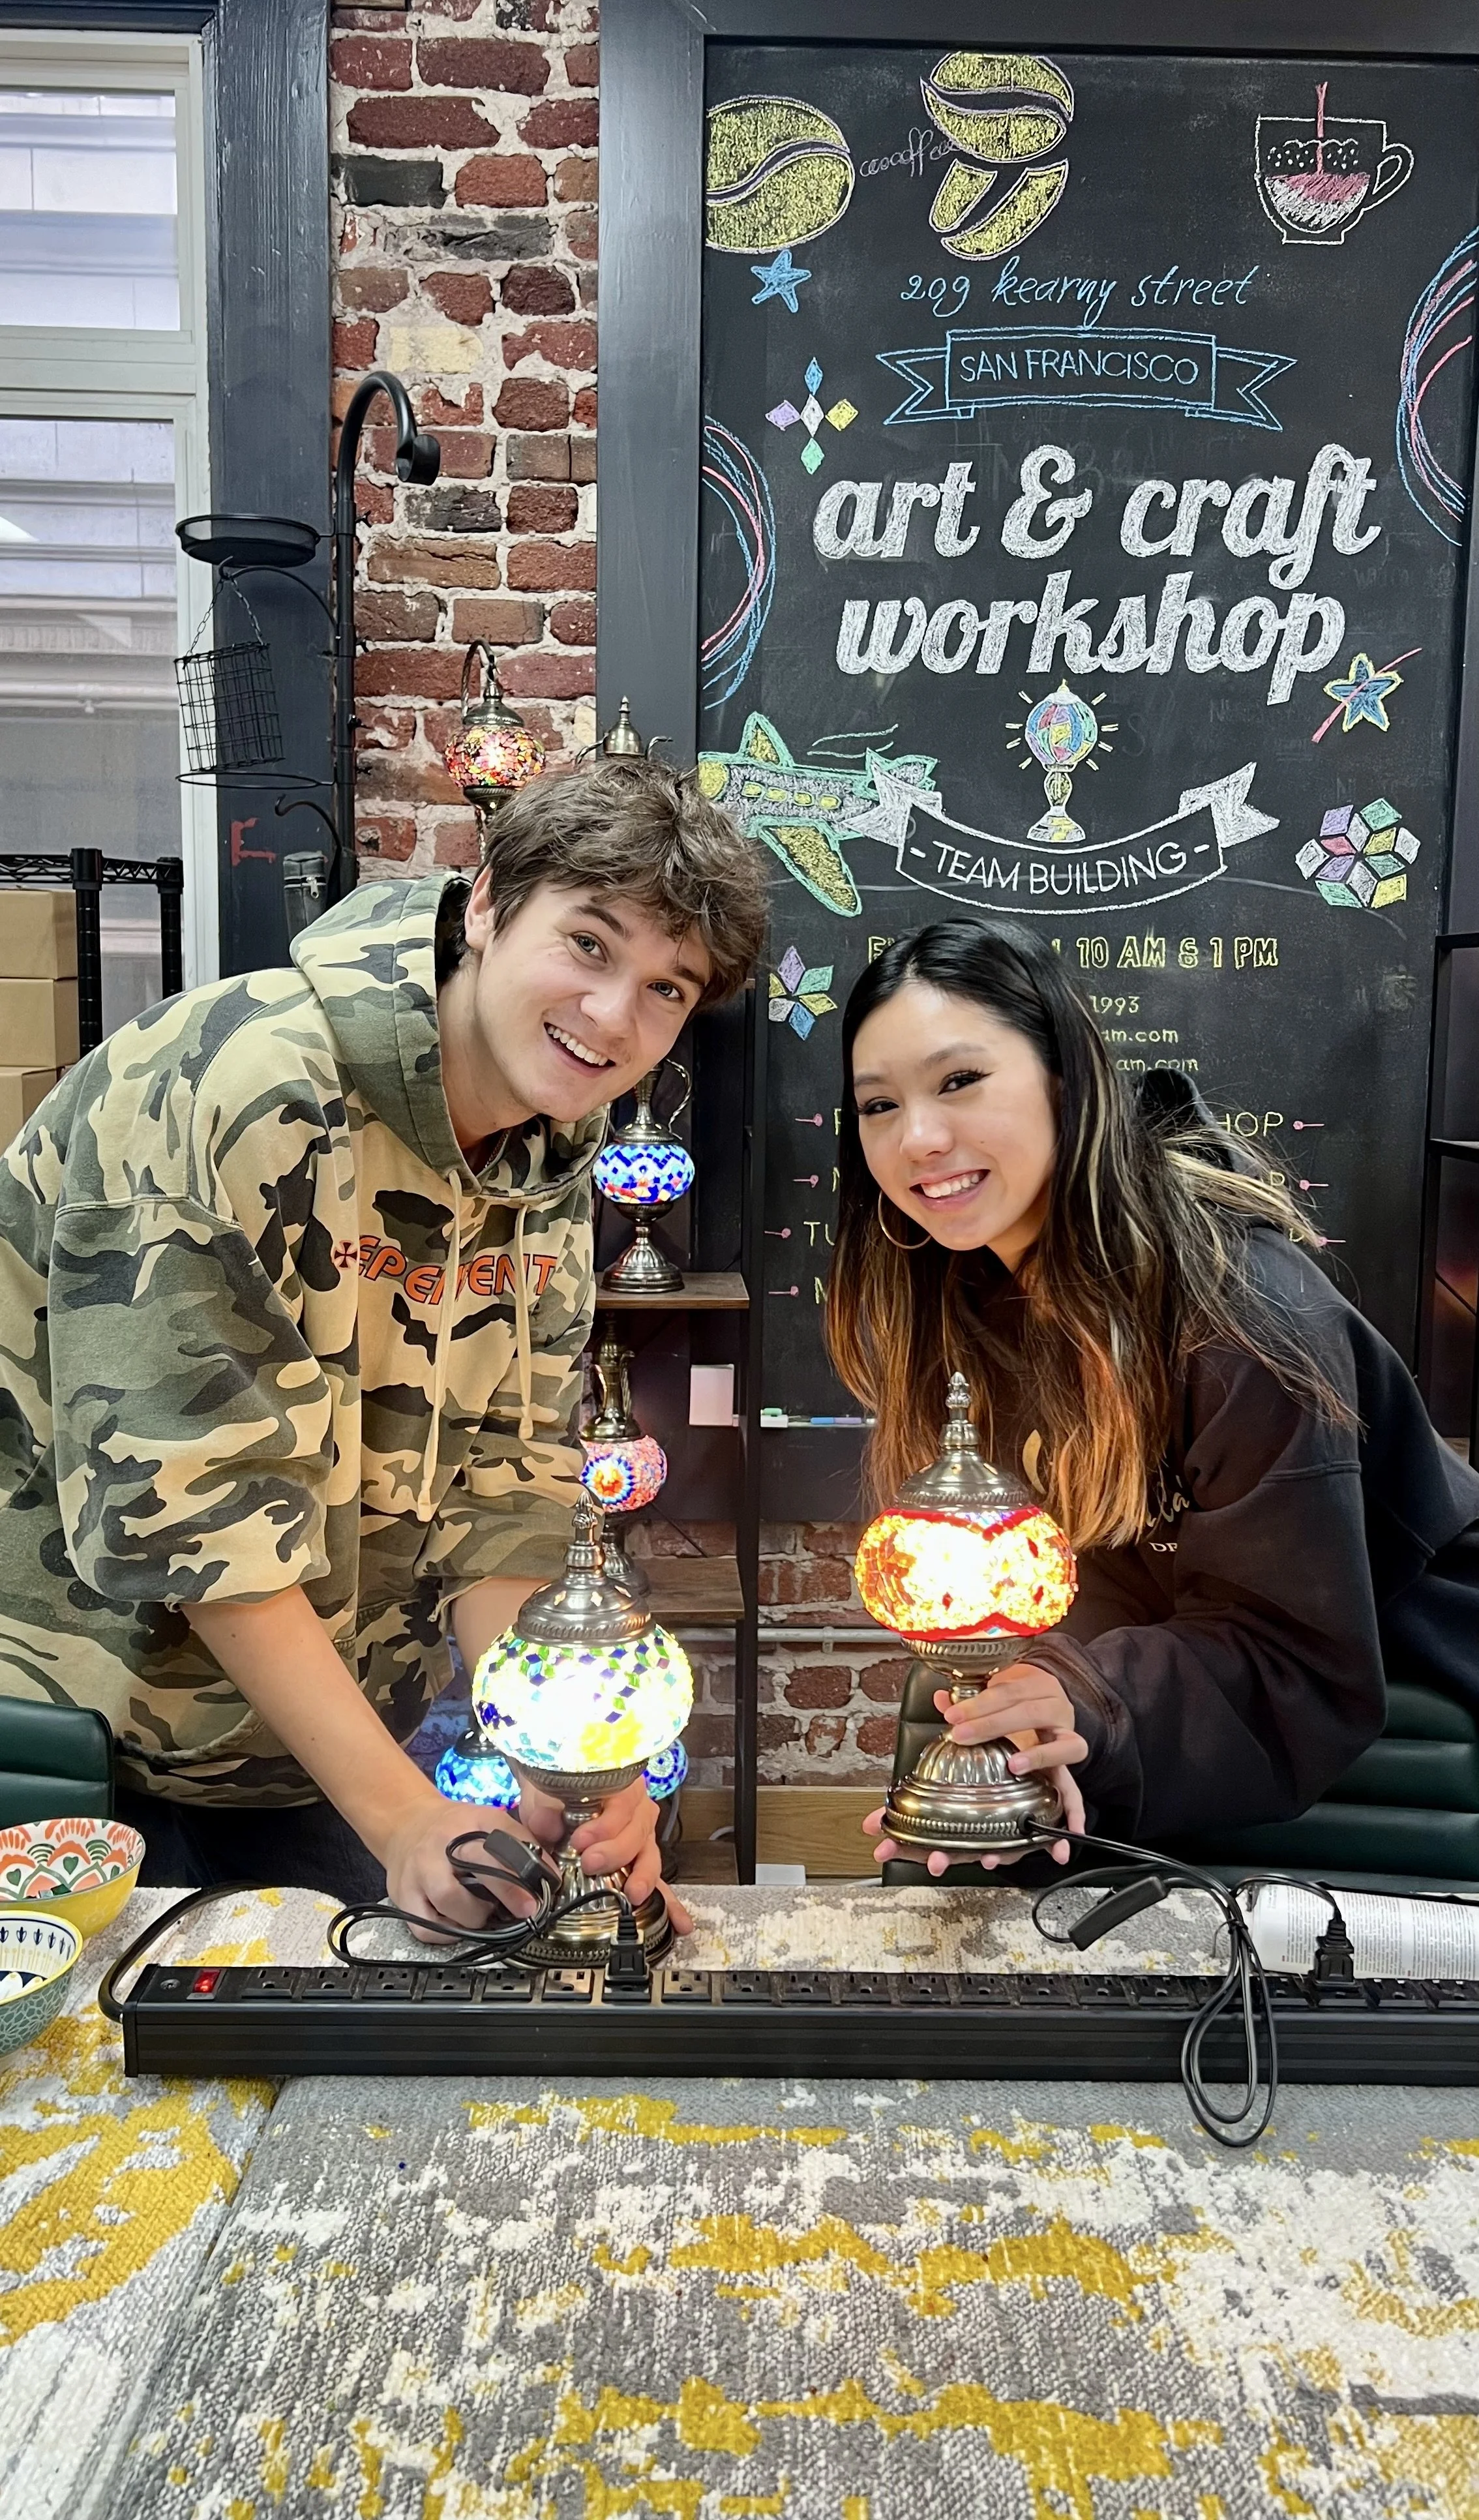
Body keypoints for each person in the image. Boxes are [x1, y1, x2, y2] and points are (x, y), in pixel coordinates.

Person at [0, 760, 766, 1934]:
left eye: (669, 987)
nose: (616, 1016)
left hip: (298, 1753)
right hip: (65, 1744)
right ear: (488, 906)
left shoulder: (551, 1150)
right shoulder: (235, 1078)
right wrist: (404, 1819)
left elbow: (508, 1487)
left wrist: (552, 1764)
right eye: (591, 944)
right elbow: (196, 1511)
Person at [825, 917, 1479, 1877]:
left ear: (1066, 1078)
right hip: (1189, 1685)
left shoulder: (1245, 1319)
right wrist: (1033, 1718)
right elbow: (1099, 1568)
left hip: (1394, 1694)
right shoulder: (977, 1299)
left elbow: (1292, 1648)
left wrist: (1082, 1697)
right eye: (878, 1106)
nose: (918, 1137)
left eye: (960, 1081)